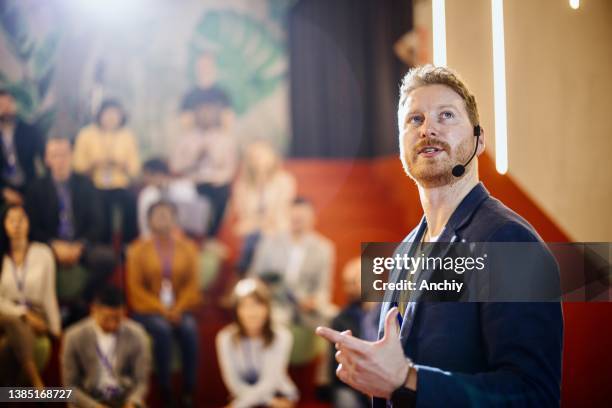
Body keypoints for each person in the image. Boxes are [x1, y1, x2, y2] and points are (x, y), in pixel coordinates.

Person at [316, 65, 563, 407]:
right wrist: (379, 374)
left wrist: (407, 380)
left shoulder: (508, 241)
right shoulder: (403, 251)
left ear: (480, 139)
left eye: (446, 115)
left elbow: (534, 396)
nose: (428, 129)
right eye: (414, 120)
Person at [25, 138, 116, 323]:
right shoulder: (36, 188)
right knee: (34, 260)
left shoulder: (86, 185)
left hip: (81, 244)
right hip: (50, 247)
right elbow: (33, 227)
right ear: (47, 159)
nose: (60, 160)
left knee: (107, 258)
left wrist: (79, 246)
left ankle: (81, 301)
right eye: (54, 155)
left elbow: (97, 223)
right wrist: (54, 245)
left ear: (71, 156)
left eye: (64, 155)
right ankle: (45, 312)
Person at [126, 200, 201, 407]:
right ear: (149, 221)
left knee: (189, 329)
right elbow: (135, 289)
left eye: (167, 214)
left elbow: (192, 285)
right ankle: (165, 389)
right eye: (157, 215)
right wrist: (162, 310)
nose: (163, 218)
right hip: (148, 309)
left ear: (175, 219)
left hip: (180, 308)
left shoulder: (188, 248)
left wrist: (177, 308)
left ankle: (188, 390)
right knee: (162, 330)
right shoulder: (137, 249)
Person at [249, 197, 335, 327]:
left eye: (301, 218)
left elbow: (323, 289)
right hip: (274, 301)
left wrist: (314, 301)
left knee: (333, 317)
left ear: (312, 218)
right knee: (277, 318)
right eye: (294, 217)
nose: (297, 221)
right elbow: (254, 278)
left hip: (306, 303)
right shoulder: (269, 242)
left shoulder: (323, 248)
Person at [62, 284, 151, 408]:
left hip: (124, 398)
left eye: (118, 319)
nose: (113, 325)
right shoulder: (74, 336)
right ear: (93, 310)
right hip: (89, 399)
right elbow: (69, 387)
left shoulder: (137, 334)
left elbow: (141, 381)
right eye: (107, 319)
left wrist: (132, 402)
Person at [0, 205, 60, 387]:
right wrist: (22, 313)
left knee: (8, 348)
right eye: (11, 220)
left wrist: (54, 329)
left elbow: (50, 293)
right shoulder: (1, 256)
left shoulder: (43, 253)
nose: (16, 225)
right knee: (15, 320)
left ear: (29, 223)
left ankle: (11, 398)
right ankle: (36, 383)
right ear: (4, 225)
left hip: (36, 314)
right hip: (5, 314)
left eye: (21, 220)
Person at [216, 278, 298, 408]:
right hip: (243, 396)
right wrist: (246, 402)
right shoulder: (225, 338)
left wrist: (239, 405)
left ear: (267, 308)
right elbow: (232, 382)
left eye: (257, 304)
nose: (251, 312)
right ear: (237, 311)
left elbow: (270, 382)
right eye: (244, 305)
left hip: (277, 394)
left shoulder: (282, 336)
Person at [170, 87, 238, 237]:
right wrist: (194, 159)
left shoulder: (226, 139)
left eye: (211, 111)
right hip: (193, 183)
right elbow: (176, 166)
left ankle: (211, 237)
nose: (206, 114)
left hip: (217, 183)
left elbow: (230, 169)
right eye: (202, 111)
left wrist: (217, 178)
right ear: (195, 114)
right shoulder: (185, 138)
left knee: (221, 194)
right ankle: (189, 237)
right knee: (182, 193)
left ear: (217, 114)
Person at [73, 99, 141, 244]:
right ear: (100, 115)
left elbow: (135, 169)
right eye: (107, 113)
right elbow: (77, 166)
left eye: (115, 114)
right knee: (99, 205)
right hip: (93, 184)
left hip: (119, 184)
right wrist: (93, 164)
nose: (111, 117)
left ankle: (128, 246)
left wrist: (122, 165)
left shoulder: (127, 135)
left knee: (130, 202)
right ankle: (103, 246)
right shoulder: (86, 134)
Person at [232, 140, 297, 274]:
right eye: (254, 156)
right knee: (253, 237)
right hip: (252, 233)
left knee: (261, 239)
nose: (258, 159)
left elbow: (278, 211)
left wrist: (258, 223)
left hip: (277, 231)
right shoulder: (242, 185)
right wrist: (255, 224)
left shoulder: (285, 181)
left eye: (262, 154)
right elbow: (243, 216)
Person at [328, 258, 380, 408]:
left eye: (354, 282)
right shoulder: (340, 319)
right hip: (351, 383)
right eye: (346, 283)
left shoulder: (390, 311)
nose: (349, 288)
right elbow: (338, 366)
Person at [137, 158, 210, 238]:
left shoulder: (184, 187)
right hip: (155, 240)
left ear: (158, 174)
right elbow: (144, 225)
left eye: (146, 175)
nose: (144, 180)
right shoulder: (148, 194)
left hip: (183, 238)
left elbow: (194, 219)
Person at [0, 89, 45, 206]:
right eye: (1, 105)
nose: (6, 108)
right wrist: (3, 191)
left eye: (9, 103)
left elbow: (44, 156)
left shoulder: (30, 130)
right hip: (4, 189)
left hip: (30, 185)